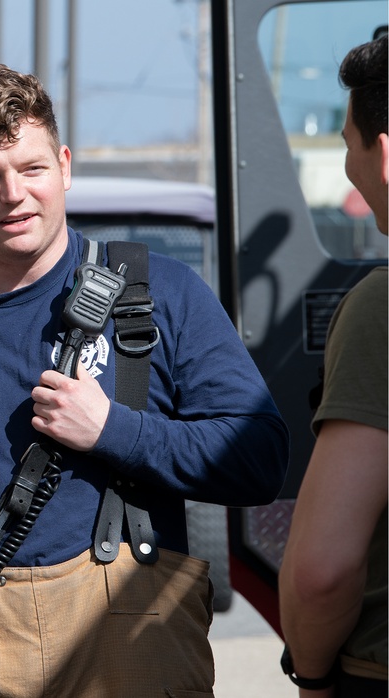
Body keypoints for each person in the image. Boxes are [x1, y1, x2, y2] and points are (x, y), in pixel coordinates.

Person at [0, 64, 289, 697]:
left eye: (32, 169)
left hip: (137, 643)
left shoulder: (163, 298)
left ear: (65, 165)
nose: (14, 195)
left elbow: (260, 458)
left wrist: (114, 431)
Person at [278, 33, 388, 698]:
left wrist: (309, 674)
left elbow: (323, 569)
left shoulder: (380, 309)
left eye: (347, 143)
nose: (349, 164)